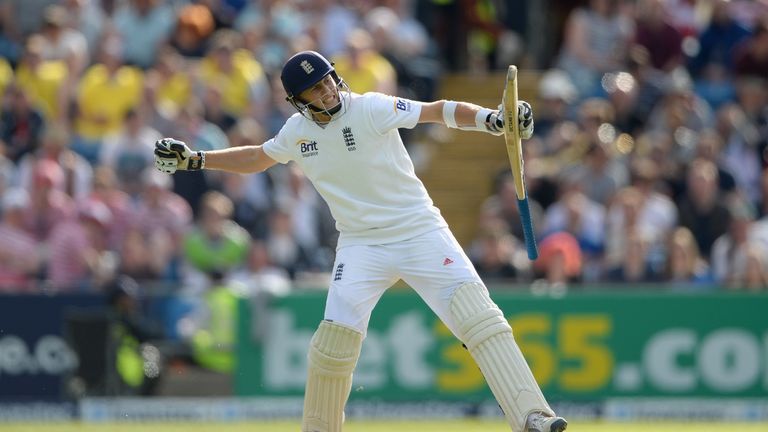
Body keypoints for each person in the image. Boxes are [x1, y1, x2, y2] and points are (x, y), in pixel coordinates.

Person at [154, 50, 566, 432]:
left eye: (330, 80)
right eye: (316, 88)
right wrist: (197, 159)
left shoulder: (370, 107)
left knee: (480, 320)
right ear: (299, 100)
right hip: (359, 245)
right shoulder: (296, 132)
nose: (329, 89)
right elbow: (258, 157)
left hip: (419, 230)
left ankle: (531, 416)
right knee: (333, 345)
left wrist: (492, 120)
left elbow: (435, 111)